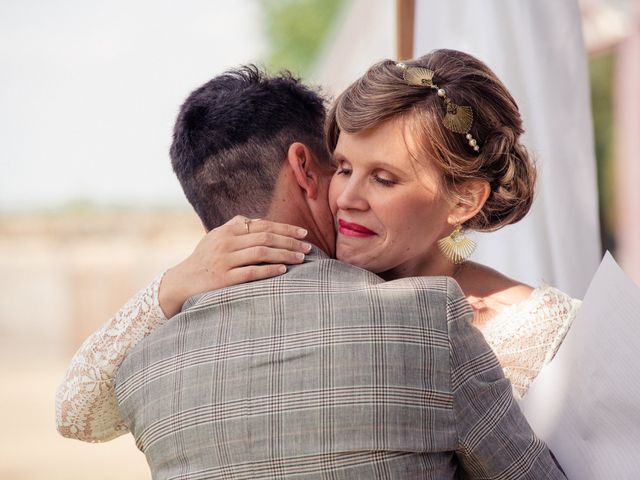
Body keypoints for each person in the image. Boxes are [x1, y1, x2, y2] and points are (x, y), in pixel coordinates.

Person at [56, 63, 566, 479]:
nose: (345, 196)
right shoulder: (288, 301)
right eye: (343, 167)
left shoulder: (534, 326)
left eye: (384, 179)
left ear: (463, 200)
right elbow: (76, 410)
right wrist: (173, 285)